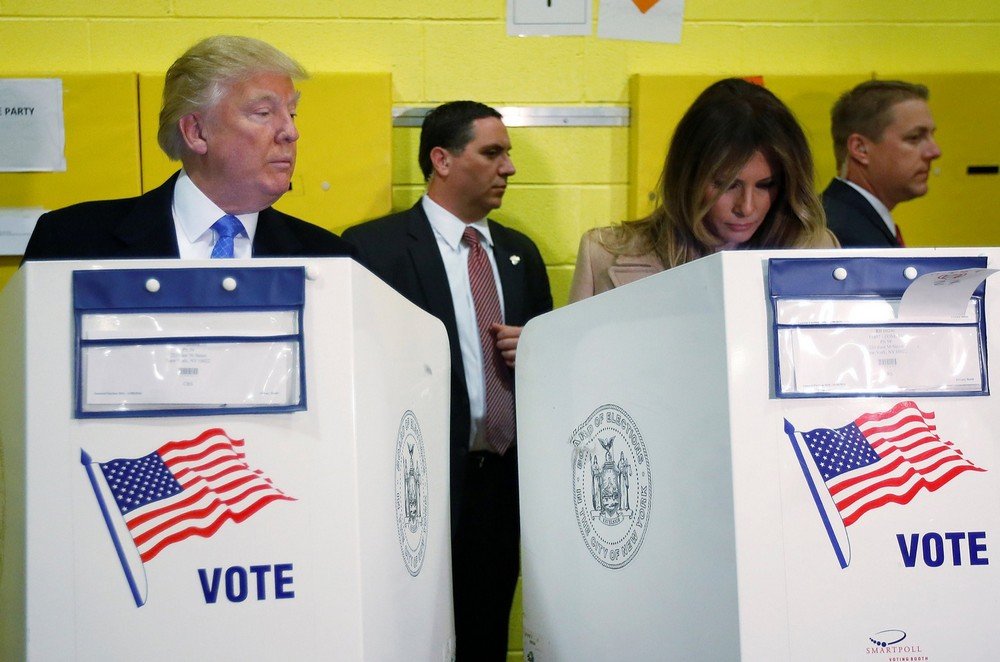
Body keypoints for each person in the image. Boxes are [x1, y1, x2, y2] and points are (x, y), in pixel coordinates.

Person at [342, 101, 552, 661]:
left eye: (508, 153)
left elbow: (550, 374)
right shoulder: (372, 250)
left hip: (501, 482)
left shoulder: (518, 256)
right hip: (416, 482)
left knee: (486, 633)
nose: (509, 167)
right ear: (442, 159)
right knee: (410, 631)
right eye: (492, 152)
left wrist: (535, 351)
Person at [22, 35, 354, 261]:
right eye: (264, 113)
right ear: (196, 132)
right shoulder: (71, 241)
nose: (291, 132)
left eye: (292, 113)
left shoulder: (330, 258)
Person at [569, 77, 836, 302]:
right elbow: (574, 363)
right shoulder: (603, 254)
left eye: (766, 185)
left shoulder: (817, 251)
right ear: (687, 177)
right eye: (727, 185)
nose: (747, 207)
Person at [822, 79, 941, 248]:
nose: (935, 152)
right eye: (914, 137)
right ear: (860, 149)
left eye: (931, 136)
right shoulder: (840, 236)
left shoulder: (848, 220)